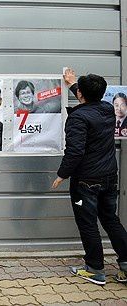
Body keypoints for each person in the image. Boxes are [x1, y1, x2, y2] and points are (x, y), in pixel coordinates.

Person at [52, 68, 127, 285]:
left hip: (86, 182)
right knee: (110, 219)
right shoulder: (107, 109)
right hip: (108, 177)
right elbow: (90, 101)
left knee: (88, 223)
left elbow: (75, 151)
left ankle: (95, 269)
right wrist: (73, 84)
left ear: (82, 95)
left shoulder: (78, 117)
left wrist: (61, 174)